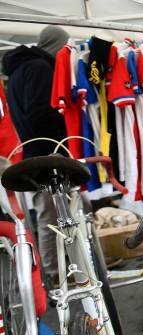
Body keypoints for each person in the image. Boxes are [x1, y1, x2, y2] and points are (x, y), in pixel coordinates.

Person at [2, 25, 70, 286]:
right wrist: (62, 133)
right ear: (57, 44)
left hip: (35, 151)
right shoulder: (40, 68)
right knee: (51, 214)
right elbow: (40, 112)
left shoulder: (20, 69)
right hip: (47, 152)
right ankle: (54, 276)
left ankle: (60, 269)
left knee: (52, 211)